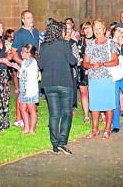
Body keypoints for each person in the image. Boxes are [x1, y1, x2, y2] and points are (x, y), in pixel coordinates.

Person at [39, 20, 77, 154]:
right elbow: (73, 61)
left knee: (54, 114)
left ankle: (55, 144)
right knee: (66, 113)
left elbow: (41, 65)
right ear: (59, 31)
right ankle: (62, 141)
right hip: (64, 83)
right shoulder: (64, 44)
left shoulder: (43, 46)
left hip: (49, 83)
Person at [83, 19, 119, 140]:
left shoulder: (110, 43)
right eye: (95, 29)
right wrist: (90, 65)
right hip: (93, 78)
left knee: (108, 104)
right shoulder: (91, 44)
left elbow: (115, 61)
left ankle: (107, 129)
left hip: (107, 78)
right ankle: (95, 129)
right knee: (94, 105)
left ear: (104, 30)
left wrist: (102, 64)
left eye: (99, 28)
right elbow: (85, 62)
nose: (97, 31)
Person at [15, 44, 39, 134]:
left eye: (24, 52)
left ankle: (32, 129)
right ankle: (26, 127)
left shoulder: (33, 62)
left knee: (31, 109)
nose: (22, 53)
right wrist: (17, 67)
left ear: (29, 53)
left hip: (30, 90)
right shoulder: (25, 61)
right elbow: (22, 73)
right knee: (22, 108)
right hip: (23, 89)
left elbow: (29, 75)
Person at [76, 21, 94, 123]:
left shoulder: (96, 41)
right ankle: (86, 115)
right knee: (84, 93)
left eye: (89, 28)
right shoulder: (80, 42)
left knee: (94, 92)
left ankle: (100, 113)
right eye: (85, 28)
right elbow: (77, 56)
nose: (87, 31)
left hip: (94, 70)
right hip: (82, 70)